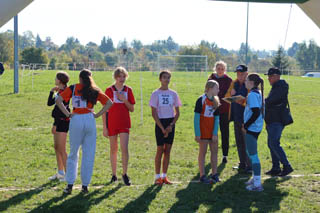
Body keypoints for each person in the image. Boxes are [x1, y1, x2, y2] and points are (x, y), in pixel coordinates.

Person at [56, 69, 113, 194]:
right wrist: (98, 114)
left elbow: (58, 100)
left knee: (73, 152)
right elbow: (109, 102)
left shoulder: (73, 88)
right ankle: (85, 186)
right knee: (89, 154)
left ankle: (70, 184)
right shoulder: (94, 90)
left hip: (76, 119)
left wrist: (67, 114)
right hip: (90, 119)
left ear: (80, 78)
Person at [102, 67, 135, 186]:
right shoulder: (109, 90)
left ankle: (125, 174)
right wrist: (104, 127)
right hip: (112, 123)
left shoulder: (128, 90)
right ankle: (114, 174)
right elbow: (105, 110)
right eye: (119, 76)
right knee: (113, 149)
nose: (122, 79)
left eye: (123, 76)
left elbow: (132, 109)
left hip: (124, 123)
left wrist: (125, 100)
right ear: (115, 77)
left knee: (124, 148)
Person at [149, 70, 181, 185]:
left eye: (168, 77)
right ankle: (157, 177)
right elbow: (154, 113)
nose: (166, 80)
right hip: (160, 123)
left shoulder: (174, 94)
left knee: (167, 150)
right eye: (164, 77)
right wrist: (162, 128)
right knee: (160, 150)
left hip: (170, 123)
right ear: (160, 79)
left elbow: (177, 113)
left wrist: (170, 126)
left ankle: (164, 176)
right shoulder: (155, 93)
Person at [264, 67, 293, 177]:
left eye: (270, 76)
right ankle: (276, 168)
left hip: (277, 120)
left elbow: (271, 101)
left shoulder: (280, 86)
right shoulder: (277, 86)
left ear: (277, 76)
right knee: (271, 144)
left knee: (274, 143)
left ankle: (287, 166)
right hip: (272, 119)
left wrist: (261, 100)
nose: (268, 78)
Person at [225, 64, 251, 173]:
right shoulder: (234, 83)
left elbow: (252, 102)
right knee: (239, 142)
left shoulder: (250, 84)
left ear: (247, 74)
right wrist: (231, 94)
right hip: (236, 117)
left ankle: (250, 166)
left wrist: (241, 100)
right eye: (238, 74)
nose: (239, 76)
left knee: (248, 143)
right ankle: (242, 164)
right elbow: (226, 97)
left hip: (247, 118)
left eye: (242, 74)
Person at [194, 80, 220, 184]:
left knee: (214, 152)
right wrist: (198, 133)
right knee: (203, 153)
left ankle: (214, 174)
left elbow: (217, 118)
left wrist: (214, 133)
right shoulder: (201, 100)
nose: (218, 90)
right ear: (209, 88)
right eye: (216, 88)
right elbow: (196, 118)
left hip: (212, 132)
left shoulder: (216, 101)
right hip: (203, 131)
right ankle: (202, 175)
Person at [242, 73, 264, 191]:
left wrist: (246, 125)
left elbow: (256, 112)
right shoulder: (257, 93)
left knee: (253, 155)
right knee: (249, 151)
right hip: (256, 127)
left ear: (251, 83)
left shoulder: (252, 95)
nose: (245, 82)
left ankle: (257, 184)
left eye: (246, 80)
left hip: (252, 128)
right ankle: (255, 177)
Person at [47, 71, 70, 181]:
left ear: (59, 80)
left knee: (62, 149)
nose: (54, 79)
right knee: (57, 147)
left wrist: (55, 125)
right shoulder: (59, 91)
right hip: (57, 121)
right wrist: (51, 92)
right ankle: (60, 173)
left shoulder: (66, 92)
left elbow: (60, 111)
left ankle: (68, 174)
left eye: (56, 78)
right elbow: (50, 103)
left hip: (62, 122)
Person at [208, 61, 232, 163]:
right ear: (215, 69)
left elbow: (231, 93)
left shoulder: (229, 80)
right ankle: (213, 153)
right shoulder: (211, 78)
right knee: (212, 132)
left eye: (222, 68)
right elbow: (207, 91)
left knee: (224, 132)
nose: (220, 70)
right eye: (218, 68)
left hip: (224, 109)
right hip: (212, 109)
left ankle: (225, 155)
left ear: (225, 70)